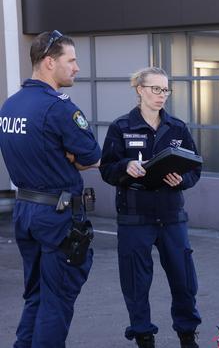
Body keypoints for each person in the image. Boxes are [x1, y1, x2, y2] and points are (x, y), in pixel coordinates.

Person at [0, 30, 101, 347]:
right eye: (70, 60)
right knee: (56, 302)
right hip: (57, 216)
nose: (76, 68)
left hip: (26, 211)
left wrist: (68, 155)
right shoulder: (58, 107)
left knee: (37, 296)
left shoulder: (10, 106)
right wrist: (71, 157)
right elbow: (92, 157)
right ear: (48, 62)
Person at [99, 67, 202, 348]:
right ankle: (143, 335)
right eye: (155, 89)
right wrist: (125, 166)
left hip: (172, 217)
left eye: (165, 90)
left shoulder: (178, 128)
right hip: (135, 218)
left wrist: (181, 179)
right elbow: (107, 170)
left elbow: (195, 168)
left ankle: (187, 334)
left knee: (184, 280)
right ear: (139, 90)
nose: (161, 96)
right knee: (136, 283)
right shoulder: (121, 127)